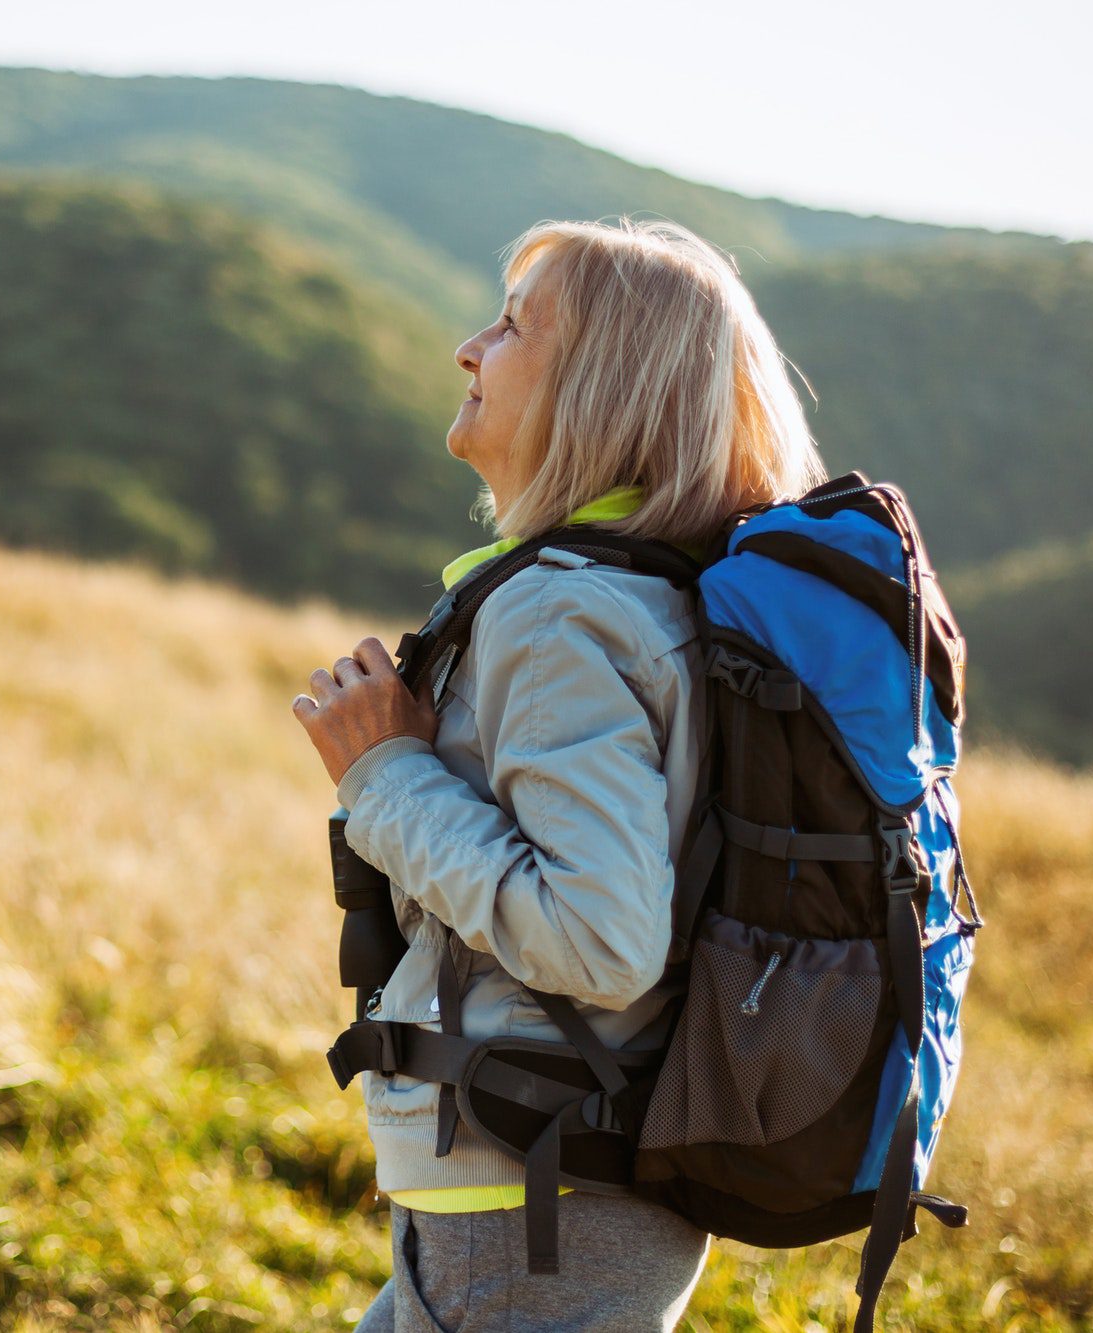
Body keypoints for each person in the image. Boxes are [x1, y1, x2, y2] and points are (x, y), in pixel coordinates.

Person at [291, 216, 828, 1331]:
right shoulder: (640, 591)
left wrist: (383, 772)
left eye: (511, 324)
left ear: (599, 385)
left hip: (535, 1205)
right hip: (549, 1186)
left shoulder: (558, 613)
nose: (468, 348)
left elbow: (598, 939)